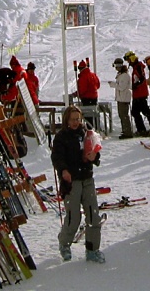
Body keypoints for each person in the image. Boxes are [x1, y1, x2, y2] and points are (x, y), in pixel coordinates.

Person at [51, 105, 105, 263]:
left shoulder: (87, 133)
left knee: (93, 215)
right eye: (73, 119)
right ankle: (65, 243)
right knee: (73, 217)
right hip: (71, 181)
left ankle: (92, 249)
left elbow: (96, 151)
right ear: (67, 120)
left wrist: (94, 156)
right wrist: (63, 170)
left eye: (78, 119)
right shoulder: (61, 137)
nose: (76, 122)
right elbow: (57, 158)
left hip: (87, 178)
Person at [125, 51, 150, 135]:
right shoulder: (137, 67)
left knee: (141, 111)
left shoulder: (138, 67)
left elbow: (142, 79)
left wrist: (136, 85)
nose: (128, 62)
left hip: (140, 94)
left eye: (128, 60)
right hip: (139, 93)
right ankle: (144, 129)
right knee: (139, 111)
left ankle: (145, 129)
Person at [110, 58, 134, 138]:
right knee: (122, 115)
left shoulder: (124, 75)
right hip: (121, 97)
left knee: (124, 115)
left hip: (124, 98)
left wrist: (113, 84)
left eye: (116, 66)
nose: (115, 67)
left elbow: (122, 87)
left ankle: (127, 132)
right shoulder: (121, 74)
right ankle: (125, 130)